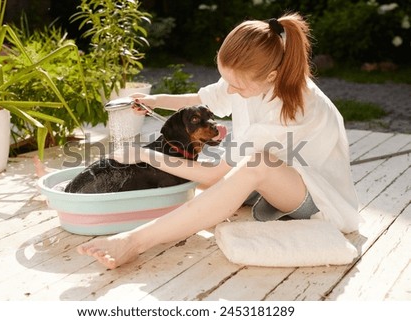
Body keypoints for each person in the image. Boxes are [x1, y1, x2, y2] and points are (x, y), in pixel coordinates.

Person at [76, 13, 360, 269]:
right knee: (193, 164)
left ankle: (134, 241)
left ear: (271, 75)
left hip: (320, 202)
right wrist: (153, 100)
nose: (231, 90)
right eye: (227, 81)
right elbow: (203, 98)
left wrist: (143, 154)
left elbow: (214, 175)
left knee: (251, 166)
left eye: (236, 85)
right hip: (280, 185)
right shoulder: (255, 78)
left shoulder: (292, 108)